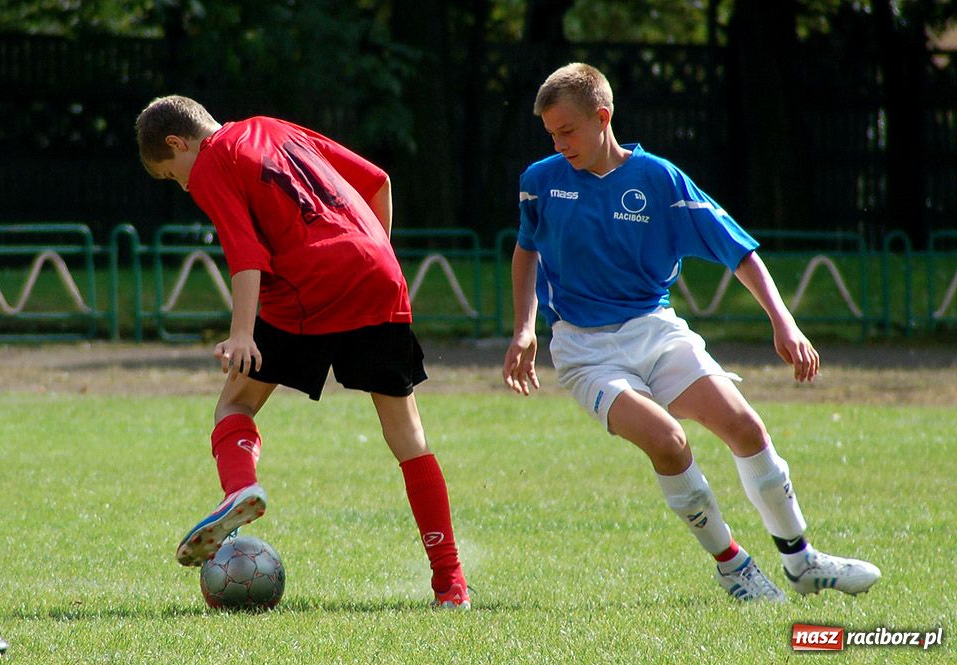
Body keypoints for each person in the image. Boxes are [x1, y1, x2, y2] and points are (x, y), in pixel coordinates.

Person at [502, 63, 881, 602]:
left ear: (602, 117)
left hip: (656, 331)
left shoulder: (659, 180)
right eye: (551, 134)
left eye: (567, 131)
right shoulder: (540, 183)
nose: (559, 144)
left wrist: (784, 321)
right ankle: (734, 567)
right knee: (669, 441)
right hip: (586, 351)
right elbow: (526, 249)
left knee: (745, 427)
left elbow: (739, 251)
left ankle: (802, 562)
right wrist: (524, 330)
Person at [135, 96, 469, 609]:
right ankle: (451, 584)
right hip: (378, 273)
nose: (182, 185)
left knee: (234, 406)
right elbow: (378, 181)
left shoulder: (211, 162)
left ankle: (240, 490)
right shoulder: (273, 126)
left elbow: (246, 253)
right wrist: (373, 258)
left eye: (171, 174)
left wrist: (242, 332)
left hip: (304, 286)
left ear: (178, 144)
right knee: (408, 437)